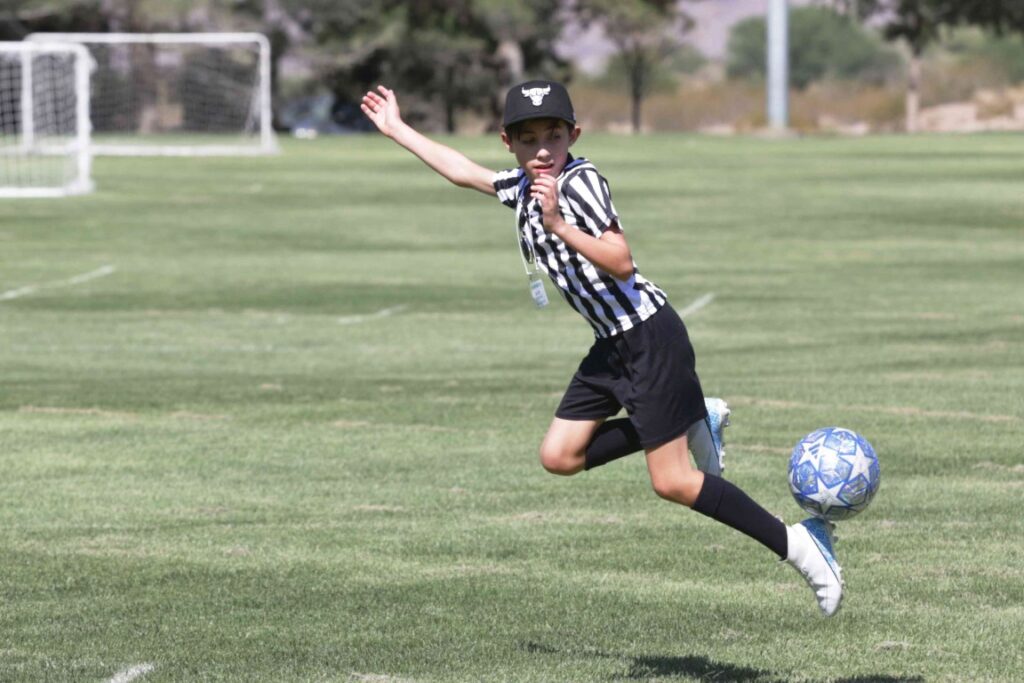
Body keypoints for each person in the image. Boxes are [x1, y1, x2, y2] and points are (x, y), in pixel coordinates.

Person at [361, 80, 843, 616]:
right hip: (611, 346)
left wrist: (557, 224)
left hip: (648, 338)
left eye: (553, 134)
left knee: (675, 482)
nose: (542, 148)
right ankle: (692, 415)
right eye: (527, 138)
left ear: (574, 134)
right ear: (508, 142)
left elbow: (621, 261)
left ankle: (800, 544)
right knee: (559, 456)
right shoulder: (522, 187)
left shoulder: (580, 182)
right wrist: (397, 129)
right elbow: (462, 171)